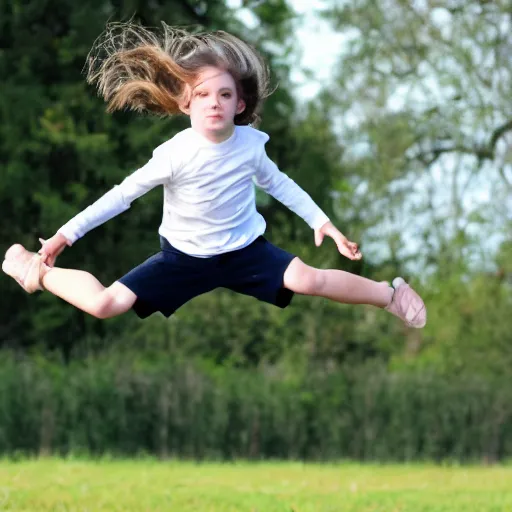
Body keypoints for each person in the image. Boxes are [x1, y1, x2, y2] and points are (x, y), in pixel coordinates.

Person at [2, 22, 426, 328]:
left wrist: (323, 224)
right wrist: (64, 235)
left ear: (240, 104)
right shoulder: (174, 155)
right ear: (185, 102)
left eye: (225, 95)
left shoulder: (249, 146)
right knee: (105, 304)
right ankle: (34, 271)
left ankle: (391, 295)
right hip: (182, 258)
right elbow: (119, 196)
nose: (214, 103)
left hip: (245, 252)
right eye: (202, 95)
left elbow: (279, 183)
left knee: (309, 278)